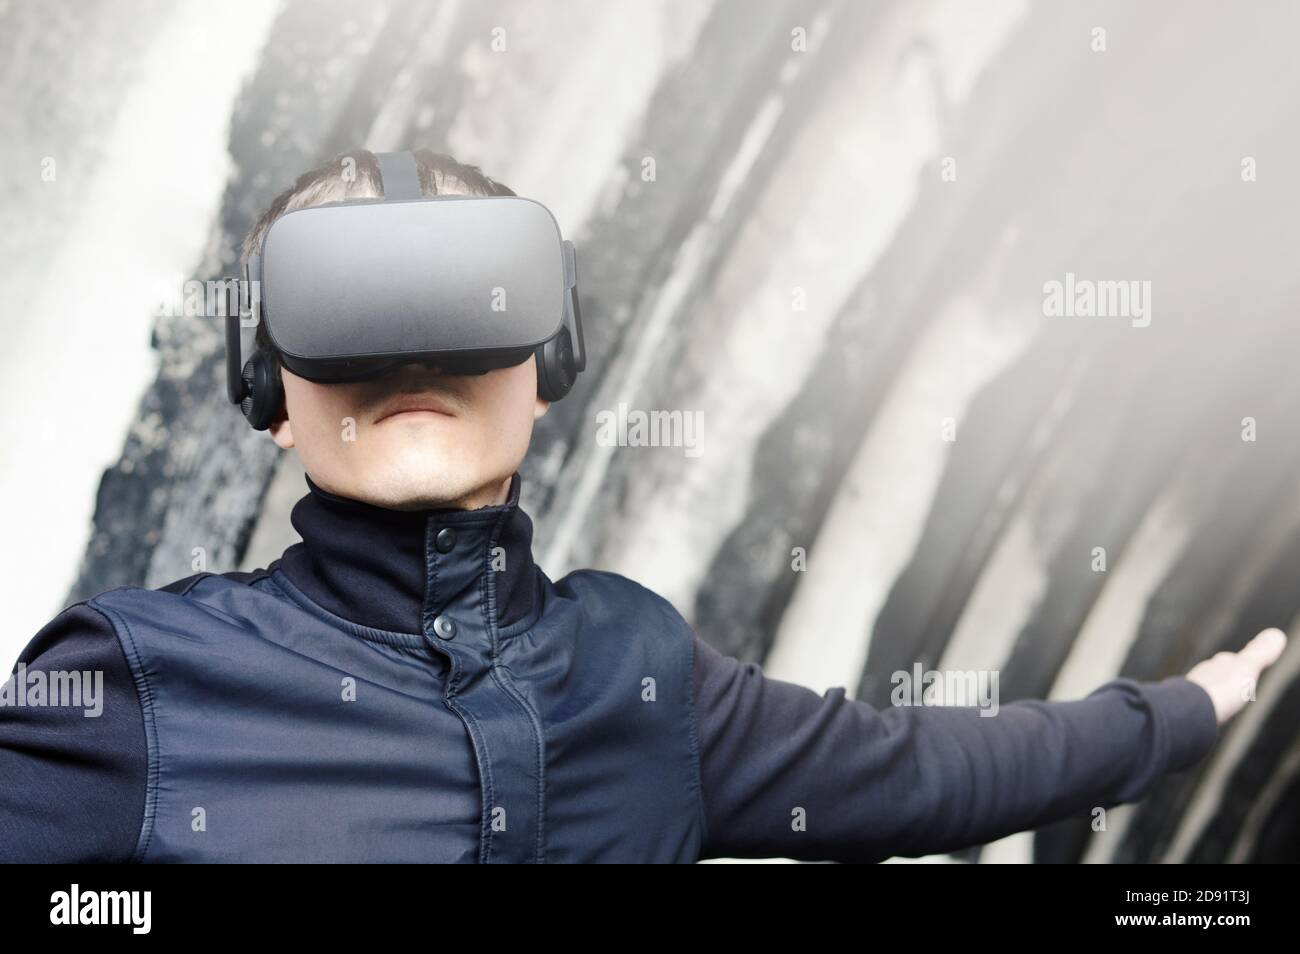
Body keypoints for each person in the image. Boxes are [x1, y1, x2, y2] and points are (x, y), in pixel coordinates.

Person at [0, 149, 1286, 863]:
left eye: (466, 301)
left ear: (550, 367)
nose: (412, 354)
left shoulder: (644, 677)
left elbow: (928, 772)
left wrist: (1172, 715)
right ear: (260, 386)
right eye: (345, 310)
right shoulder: (136, 690)